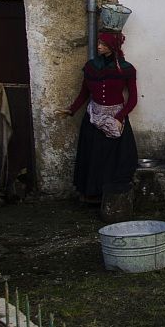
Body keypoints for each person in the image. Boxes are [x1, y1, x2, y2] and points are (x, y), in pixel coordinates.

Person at [60, 31, 138, 203]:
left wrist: (119, 117)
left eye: (103, 44)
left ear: (113, 47)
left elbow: (132, 99)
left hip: (116, 119)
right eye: (99, 43)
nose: (98, 46)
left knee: (114, 159)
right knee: (92, 157)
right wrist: (71, 110)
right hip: (93, 118)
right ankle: (91, 194)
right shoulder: (90, 67)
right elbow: (83, 94)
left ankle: (111, 196)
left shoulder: (126, 69)